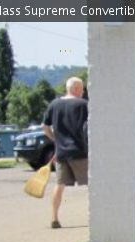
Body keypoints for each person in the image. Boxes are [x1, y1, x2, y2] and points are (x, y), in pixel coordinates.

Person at [42, 77, 88, 230]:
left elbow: (45, 127)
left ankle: (54, 218)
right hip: (81, 152)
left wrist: (56, 140)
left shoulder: (54, 104)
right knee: (92, 185)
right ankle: (95, 217)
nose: (83, 92)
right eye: (82, 89)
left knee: (59, 185)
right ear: (76, 89)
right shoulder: (84, 105)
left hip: (61, 153)